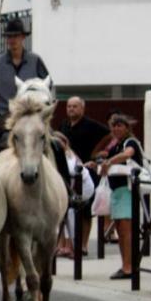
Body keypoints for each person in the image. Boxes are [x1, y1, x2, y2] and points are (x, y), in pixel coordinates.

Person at [0, 15, 50, 158]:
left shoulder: (35, 60)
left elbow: (48, 85)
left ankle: (63, 176)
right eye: (9, 37)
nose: (12, 40)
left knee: (56, 145)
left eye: (16, 36)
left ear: (23, 38)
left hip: (34, 114)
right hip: (7, 117)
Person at [91, 113, 143, 279]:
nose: (116, 128)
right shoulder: (115, 145)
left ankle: (129, 267)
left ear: (127, 128)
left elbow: (128, 154)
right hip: (117, 190)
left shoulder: (130, 142)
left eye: (120, 125)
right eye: (114, 126)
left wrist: (109, 161)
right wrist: (97, 165)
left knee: (126, 230)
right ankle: (126, 264)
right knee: (121, 229)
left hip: (126, 190)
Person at [59, 96, 109, 253]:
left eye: (75, 106)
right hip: (69, 172)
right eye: (69, 106)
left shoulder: (91, 125)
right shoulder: (64, 125)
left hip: (87, 172)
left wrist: (97, 154)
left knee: (85, 210)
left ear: (82, 108)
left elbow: (109, 136)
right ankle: (65, 245)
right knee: (66, 210)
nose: (71, 109)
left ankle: (84, 245)